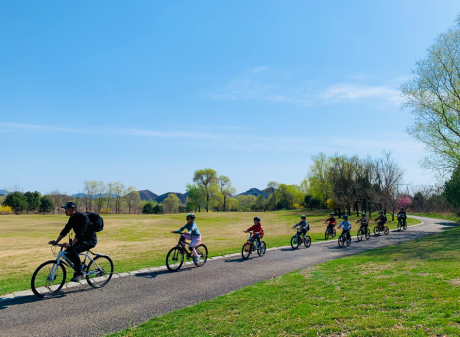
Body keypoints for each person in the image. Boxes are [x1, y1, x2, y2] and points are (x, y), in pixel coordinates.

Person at [48, 201, 97, 282]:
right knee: (67, 252)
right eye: (65, 209)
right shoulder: (72, 218)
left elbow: (81, 233)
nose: (65, 211)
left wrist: (71, 244)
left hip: (90, 240)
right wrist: (56, 242)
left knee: (73, 250)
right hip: (80, 240)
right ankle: (81, 265)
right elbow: (65, 230)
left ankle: (80, 272)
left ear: (74, 209)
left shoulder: (83, 217)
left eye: (67, 209)